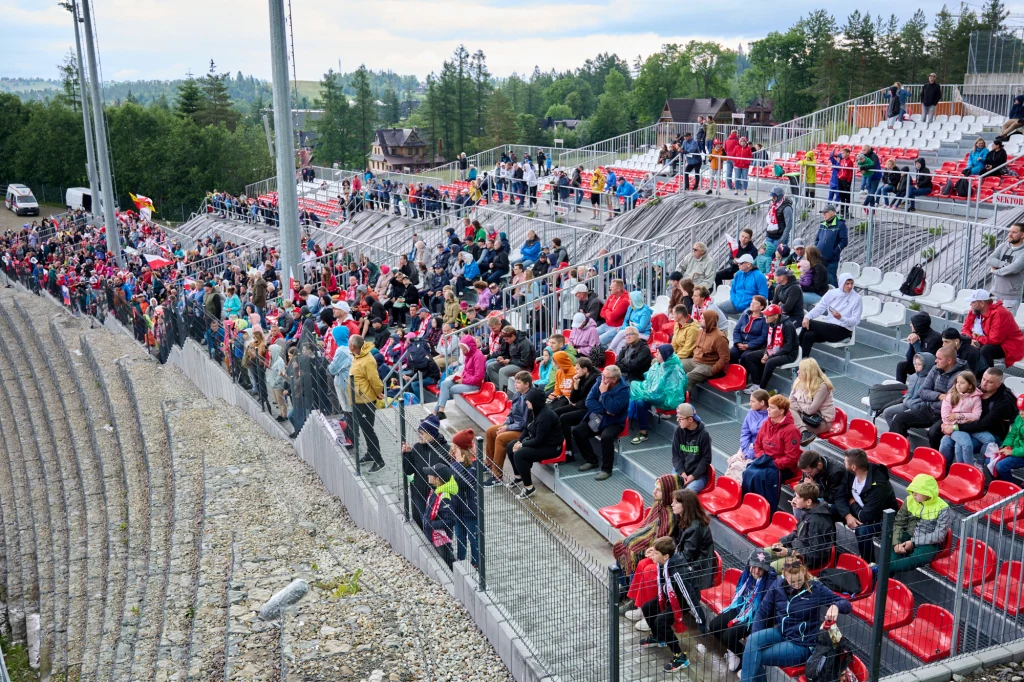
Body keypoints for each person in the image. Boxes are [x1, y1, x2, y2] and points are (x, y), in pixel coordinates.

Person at [741, 557, 851, 682]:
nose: (797, 584)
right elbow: (763, 611)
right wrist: (757, 638)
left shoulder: (816, 588)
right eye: (792, 581)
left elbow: (846, 604)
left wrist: (836, 606)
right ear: (784, 576)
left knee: (756, 656)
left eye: (799, 580)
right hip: (782, 632)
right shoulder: (777, 585)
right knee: (752, 643)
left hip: (801, 643)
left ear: (804, 572)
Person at [629, 536, 697, 672]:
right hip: (670, 596)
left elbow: (689, 593)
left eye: (655, 553)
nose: (652, 555)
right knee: (648, 607)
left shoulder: (678, 571)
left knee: (661, 621)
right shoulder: (664, 563)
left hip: (682, 601)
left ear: (665, 556)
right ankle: (659, 638)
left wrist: (699, 616)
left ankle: (680, 657)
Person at [707, 550, 776, 673]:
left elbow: (766, 611)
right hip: (742, 608)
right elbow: (740, 594)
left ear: (766, 569)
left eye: (760, 569)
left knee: (728, 636)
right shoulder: (746, 573)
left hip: (757, 617)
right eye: (754, 566)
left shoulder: (770, 582)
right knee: (714, 626)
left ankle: (748, 662)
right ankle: (733, 651)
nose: (756, 571)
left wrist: (754, 629)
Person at [940, 367, 1016, 469]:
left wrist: (954, 427)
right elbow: (955, 408)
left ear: (998, 384)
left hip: (991, 434)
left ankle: (966, 472)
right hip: (968, 426)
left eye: (990, 382)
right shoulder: (976, 389)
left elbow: (983, 424)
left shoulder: (1002, 402)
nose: (984, 383)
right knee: (945, 442)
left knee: (960, 444)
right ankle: (944, 470)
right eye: (983, 379)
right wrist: (946, 424)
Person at [836, 448, 898, 563]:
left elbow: (866, 516)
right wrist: (847, 515)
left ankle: (868, 564)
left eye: (845, 461)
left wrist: (852, 503)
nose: (844, 463)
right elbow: (840, 496)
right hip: (858, 510)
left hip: (882, 519)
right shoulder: (850, 474)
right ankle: (827, 550)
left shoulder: (878, 484)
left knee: (862, 531)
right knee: (829, 510)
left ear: (854, 467)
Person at [889, 346, 966, 438]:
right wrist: (939, 396)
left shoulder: (961, 376)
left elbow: (952, 401)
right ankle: (895, 445)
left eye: (939, 359)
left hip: (947, 415)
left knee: (933, 433)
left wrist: (933, 398)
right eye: (936, 358)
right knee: (899, 418)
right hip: (929, 409)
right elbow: (922, 392)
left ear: (949, 360)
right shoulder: (935, 369)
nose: (935, 361)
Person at [615, 474, 682, 579]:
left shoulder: (671, 514)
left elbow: (661, 538)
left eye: (658, 490)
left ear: (668, 492)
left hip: (659, 546)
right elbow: (647, 525)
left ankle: (629, 586)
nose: (654, 492)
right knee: (623, 546)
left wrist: (650, 547)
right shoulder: (659, 503)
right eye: (655, 488)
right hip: (650, 541)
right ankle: (623, 584)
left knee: (633, 553)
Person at [573, 365, 629, 480]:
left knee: (607, 437)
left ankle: (607, 469)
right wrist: (605, 410)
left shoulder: (624, 390)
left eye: (606, 377)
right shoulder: (599, 381)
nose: (602, 378)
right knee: (578, 431)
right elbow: (589, 401)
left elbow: (613, 409)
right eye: (603, 375)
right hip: (598, 416)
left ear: (614, 379)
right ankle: (592, 461)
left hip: (615, 421)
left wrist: (604, 393)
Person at [746, 394, 802, 511]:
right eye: (769, 407)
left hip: (783, 468)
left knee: (761, 476)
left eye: (772, 407)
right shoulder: (766, 423)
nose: (768, 409)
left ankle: (766, 510)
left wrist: (773, 463)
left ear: (781, 411)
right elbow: (758, 444)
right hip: (765, 461)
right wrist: (762, 458)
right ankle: (749, 506)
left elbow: (791, 458)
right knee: (747, 472)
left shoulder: (791, 430)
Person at [766, 482, 836, 571]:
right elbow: (798, 532)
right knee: (761, 555)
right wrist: (783, 542)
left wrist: (789, 552)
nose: (794, 500)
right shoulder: (808, 510)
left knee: (773, 568)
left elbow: (815, 555)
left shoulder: (816, 522)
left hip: (806, 560)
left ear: (808, 502)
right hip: (797, 549)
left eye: (798, 498)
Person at [889, 474, 953, 572]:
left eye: (918, 491)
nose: (914, 494)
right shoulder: (909, 499)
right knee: (891, 554)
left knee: (915, 559)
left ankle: (877, 570)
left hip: (929, 543)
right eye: (913, 490)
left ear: (928, 493)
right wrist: (896, 543)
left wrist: (914, 542)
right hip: (907, 535)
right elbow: (898, 523)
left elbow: (939, 536)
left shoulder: (943, 508)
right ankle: (879, 574)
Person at [510, 388, 565, 498]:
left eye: (529, 400)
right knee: (510, 446)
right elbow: (526, 429)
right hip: (539, 442)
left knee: (519, 454)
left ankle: (529, 488)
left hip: (552, 447)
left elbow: (539, 440)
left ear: (535, 401)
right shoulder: (533, 410)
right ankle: (519, 476)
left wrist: (521, 445)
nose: (526, 402)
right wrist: (519, 441)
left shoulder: (546, 416)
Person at [629, 345, 689, 444]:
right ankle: (643, 432)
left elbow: (673, 394)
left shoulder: (675, 370)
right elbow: (649, 382)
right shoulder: (657, 365)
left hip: (666, 400)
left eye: (659, 353)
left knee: (640, 399)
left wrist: (650, 394)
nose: (656, 354)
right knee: (637, 395)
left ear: (665, 355)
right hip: (654, 395)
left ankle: (643, 432)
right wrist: (647, 391)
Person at [483, 372, 532, 482]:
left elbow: (524, 423)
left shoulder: (530, 398)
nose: (515, 384)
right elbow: (511, 414)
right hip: (513, 426)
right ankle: (489, 464)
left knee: (501, 438)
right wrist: (506, 424)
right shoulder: (517, 394)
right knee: (490, 431)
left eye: (518, 382)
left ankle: (497, 476)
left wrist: (508, 428)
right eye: (515, 382)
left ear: (527, 384)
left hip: (524, 431)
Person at [799, 274, 861, 359]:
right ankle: (803, 361)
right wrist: (807, 316)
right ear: (841, 283)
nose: (850, 286)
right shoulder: (832, 293)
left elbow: (856, 321)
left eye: (851, 283)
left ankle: (794, 352)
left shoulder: (857, 298)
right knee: (808, 335)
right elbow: (819, 308)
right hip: (829, 327)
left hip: (843, 330)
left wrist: (841, 318)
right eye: (847, 283)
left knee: (810, 323)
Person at [402, 415, 448, 527]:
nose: (419, 436)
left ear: (431, 434)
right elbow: (408, 472)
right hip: (419, 494)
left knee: (435, 527)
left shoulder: (445, 450)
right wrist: (407, 455)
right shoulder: (417, 448)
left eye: (422, 433)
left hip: (437, 496)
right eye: (419, 432)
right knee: (422, 525)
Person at [961, 289, 1024, 369]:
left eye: (973, 302)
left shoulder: (999, 313)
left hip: (1008, 345)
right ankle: (964, 371)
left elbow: (995, 340)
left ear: (982, 303)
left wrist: (976, 338)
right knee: (960, 340)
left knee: (985, 349)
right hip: (984, 340)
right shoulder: (974, 310)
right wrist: (970, 340)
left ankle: (988, 375)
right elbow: (965, 328)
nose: (970, 304)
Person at [350, 335, 385, 472]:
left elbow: (375, 380)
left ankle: (379, 460)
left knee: (368, 430)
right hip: (359, 399)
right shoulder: (357, 355)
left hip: (365, 400)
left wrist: (378, 392)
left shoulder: (367, 360)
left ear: (353, 346)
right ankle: (371, 453)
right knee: (365, 429)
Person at [554, 358, 599, 456]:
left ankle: (568, 450)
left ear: (585, 369)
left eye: (578, 369)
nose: (575, 371)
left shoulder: (596, 380)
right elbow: (573, 399)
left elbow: (590, 400)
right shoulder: (581, 377)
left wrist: (577, 404)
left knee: (564, 418)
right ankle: (558, 444)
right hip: (580, 405)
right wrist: (576, 385)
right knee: (555, 413)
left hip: (590, 410)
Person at [435, 335, 485, 422]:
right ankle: (439, 412)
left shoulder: (478, 356)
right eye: (462, 350)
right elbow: (467, 370)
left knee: (447, 390)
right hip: (465, 380)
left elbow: (478, 378)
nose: (463, 352)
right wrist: (460, 377)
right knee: (444, 384)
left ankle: (435, 413)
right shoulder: (468, 354)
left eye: (464, 350)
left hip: (474, 385)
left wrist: (463, 380)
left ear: (469, 347)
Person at [448, 429, 480, 565]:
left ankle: (476, 562)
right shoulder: (453, 464)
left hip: (469, 509)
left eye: (455, 446)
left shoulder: (473, 466)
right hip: (457, 508)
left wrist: (458, 464)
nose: (452, 449)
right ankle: (461, 560)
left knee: (473, 537)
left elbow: (464, 483)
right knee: (460, 536)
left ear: (461, 449)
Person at [937, 370, 982, 466]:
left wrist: (957, 416)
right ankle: (943, 468)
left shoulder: (976, 397)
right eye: (957, 382)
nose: (958, 385)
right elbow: (945, 416)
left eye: (962, 383)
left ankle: (968, 469)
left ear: (970, 385)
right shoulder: (951, 395)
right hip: (951, 426)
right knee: (945, 443)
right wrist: (960, 422)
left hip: (964, 427)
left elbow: (976, 416)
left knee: (966, 444)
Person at [881, 352, 935, 431]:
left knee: (899, 417)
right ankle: (900, 434)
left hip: (919, 408)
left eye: (919, 364)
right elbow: (909, 393)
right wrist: (906, 400)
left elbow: (928, 400)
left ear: (927, 365)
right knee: (887, 413)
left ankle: (900, 434)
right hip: (908, 403)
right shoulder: (913, 376)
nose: (916, 366)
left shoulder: (931, 380)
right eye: (915, 363)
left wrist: (912, 403)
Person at [725, 389, 770, 482]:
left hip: (760, 451)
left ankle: (740, 487)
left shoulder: (770, 418)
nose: (750, 404)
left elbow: (764, 441)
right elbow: (745, 432)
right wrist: (745, 450)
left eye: (753, 401)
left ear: (762, 403)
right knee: (733, 464)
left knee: (741, 467)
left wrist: (750, 453)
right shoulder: (750, 412)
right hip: (747, 447)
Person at [789, 358, 836, 446]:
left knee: (789, 429)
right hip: (803, 416)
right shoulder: (798, 381)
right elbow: (791, 402)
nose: (798, 372)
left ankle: (803, 435)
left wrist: (799, 404)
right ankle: (804, 432)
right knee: (785, 410)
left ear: (808, 372)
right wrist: (802, 407)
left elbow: (811, 410)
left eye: (800, 370)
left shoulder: (822, 386)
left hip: (819, 422)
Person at [421, 463, 458, 569]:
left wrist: (431, 524)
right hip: (435, 535)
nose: (428, 476)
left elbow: (451, 520)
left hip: (441, 537)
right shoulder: (437, 490)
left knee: (447, 560)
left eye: (430, 474)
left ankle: (453, 576)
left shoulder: (445, 497)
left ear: (437, 479)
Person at [669, 403, 713, 491]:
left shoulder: (704, 435)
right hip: (680, 471)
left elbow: (706, 459)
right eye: (677, 417)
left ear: (690, 419)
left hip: (698, 475)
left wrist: (692, 476)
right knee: (669, 488)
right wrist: (682, 473)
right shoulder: (678, 431)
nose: (677, 420)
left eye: (680, 418)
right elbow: (675, 456)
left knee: (687, 493)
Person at [798, 450, 847, 522]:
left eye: (809, 472)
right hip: (821, 496)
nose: (807, 474)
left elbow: (833, 498)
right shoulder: (808, 468)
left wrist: (814, 487)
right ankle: (801, 527)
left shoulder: (836, 472)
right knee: (798, 503)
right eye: (805, 472)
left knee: (817, 512)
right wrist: (797, 497)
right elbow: (802, 483)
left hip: (836, 502)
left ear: (819, 465)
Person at [988, 223, 1024, 314]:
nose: (1010, 234)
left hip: (1010, 297)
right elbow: (990, 260)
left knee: (1005, 322)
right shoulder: (1003, 246)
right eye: (1009, 231)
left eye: (1014, 232)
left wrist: (995, 271)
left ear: (1022, 235)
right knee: (990, 321)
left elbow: (1013, 269)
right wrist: (1006, 265)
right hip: (994, 293)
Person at [896, 312, 943, 383]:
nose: (910, 324)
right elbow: (909, 359)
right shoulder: (917, 334)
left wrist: (915, 344)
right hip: (919, 365)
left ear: (918, 325)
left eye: (912, 323)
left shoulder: (935, 339)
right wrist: (911, 344)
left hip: (930, 370)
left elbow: (926, 363)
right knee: (901, 366)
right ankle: (899, 387)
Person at [990, 395, 1024, 480]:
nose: (1021, 413)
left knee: (1001, 466)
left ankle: (1011, 487)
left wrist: (1011, 452)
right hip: (1016, 449)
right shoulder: (1019, 418)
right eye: (1020, 410)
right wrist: (1006, 446)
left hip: (1020, 453)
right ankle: (998, 484)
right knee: (991, 460)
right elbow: (1012, 434)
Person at [814, 205, 848, 287]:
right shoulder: (822, 224)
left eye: (826, 213)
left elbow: (844, 241)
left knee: (831, 279)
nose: (824, 215)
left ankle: (836, 294)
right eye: (823, 213)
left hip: (832, 259)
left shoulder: (840, 224)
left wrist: (834, 252)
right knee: (820, 279)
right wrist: (817, 248)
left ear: (832, 213)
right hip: (820, 257)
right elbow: (817, 239)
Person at [730, 295, 768, 364]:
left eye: (755, 303)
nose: (752, 304)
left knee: (745, 357)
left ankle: (744, 371)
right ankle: (734, 369)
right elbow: (736, 330)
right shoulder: (745, 315)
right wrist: (738, 342)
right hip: (741, 343)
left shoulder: (764, 319)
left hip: (754, 346)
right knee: (732, 353)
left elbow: (763, 337)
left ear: (761, 307)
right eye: (752, 302)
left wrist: (749, 345)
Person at [597, 279, 632, 345]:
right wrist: (609, 313)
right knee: (588, 336)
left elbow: (612, 317)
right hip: (606, 324)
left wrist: (607, 310)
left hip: (616, 327)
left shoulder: (625, 300)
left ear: (618, 289)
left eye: (612, 287)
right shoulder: (611, 296)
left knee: (597, 342)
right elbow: (601, 313)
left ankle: (604, 349)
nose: (610, 289)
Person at [764, 187, 794, 253]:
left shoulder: (787, 208)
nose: (772, 199)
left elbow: (788, 225)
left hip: (779, 237)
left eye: (774, 197)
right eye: (772, 197)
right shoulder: (772, 205)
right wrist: (767, 234)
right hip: (769, 236)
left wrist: (782, 239)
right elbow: (769, 221)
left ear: (779, 196)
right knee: (766, 254)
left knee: (778, 256)